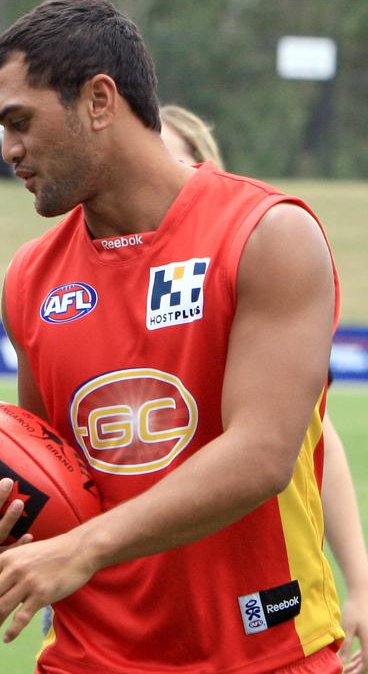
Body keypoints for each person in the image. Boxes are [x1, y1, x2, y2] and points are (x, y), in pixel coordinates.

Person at [0, 0, 343, 672]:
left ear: (100, 100)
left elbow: (262, 454)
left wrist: (81, 550)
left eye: (20, 122)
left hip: (265, 654)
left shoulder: (267, 235)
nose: (8, 150)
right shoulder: (30, 278)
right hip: (88, 659)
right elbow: (53, 484)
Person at [160, 106, 368, 674]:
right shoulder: (67, 287)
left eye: (174, 156)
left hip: (257, 612)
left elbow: (314, 439)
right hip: (122, 618)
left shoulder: (250, 269)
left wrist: (361, 586)